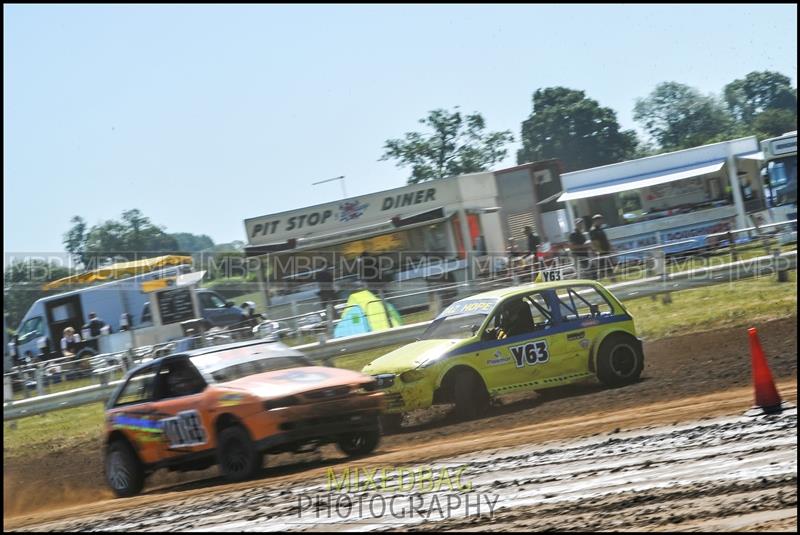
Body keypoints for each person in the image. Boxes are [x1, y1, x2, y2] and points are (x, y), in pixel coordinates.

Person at [589, 214, 614, 279]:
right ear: (596, 221)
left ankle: (611, 280)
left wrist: (611, 248)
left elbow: (605, 240)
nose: (601, 221)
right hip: (601, 252)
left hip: (605, 251)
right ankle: (612, 281)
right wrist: (600, 251)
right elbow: (594, 242)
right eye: (600, 220)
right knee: (605, 269)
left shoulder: (600, 229)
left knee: (605, 269)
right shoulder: (593, 230)